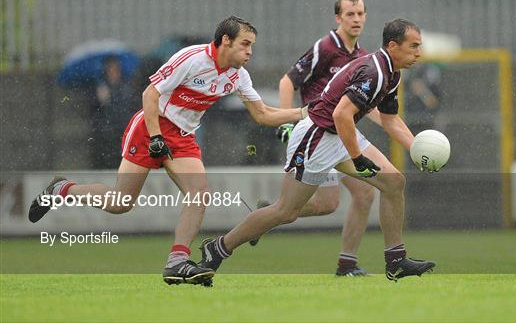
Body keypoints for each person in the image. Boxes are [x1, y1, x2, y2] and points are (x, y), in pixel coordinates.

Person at [28, 16, 307, 286]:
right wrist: (156, 136)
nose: (250, 51)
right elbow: (150, 94)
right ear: (226, 40)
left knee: (199, 195)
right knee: (120, 203)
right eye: (245, 44)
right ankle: (62, 190)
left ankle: (177, 260)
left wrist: (304, 112)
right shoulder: (192, 58)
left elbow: (262, 114)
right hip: (151, 126)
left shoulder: (238, 76)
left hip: (183, 137)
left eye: (252, 45)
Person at [199, 18, 436, 282]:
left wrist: (418, 149)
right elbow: (341, 114)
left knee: (393, 182)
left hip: (338, 134)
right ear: (393, 46)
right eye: (414, 46)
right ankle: (218, 248)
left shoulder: (392, 73)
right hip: (316, 137)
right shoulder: (374, 71)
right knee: (285, 211)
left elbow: (390, 119)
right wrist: (357, 158)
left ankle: (396, 261)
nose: (419, 52)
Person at [272, 0, 381, 276]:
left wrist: (395, 128)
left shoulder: (361, 56)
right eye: (349, 14)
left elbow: (364, 105)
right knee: (326, 204)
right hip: (318, 133)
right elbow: (287, 81)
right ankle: (268, 214)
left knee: (359, 195)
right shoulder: (326, 47)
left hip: (340, 134)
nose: (356, 19)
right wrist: (286, 122)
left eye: (360, 14)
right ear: (338, 18)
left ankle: (347, 264)